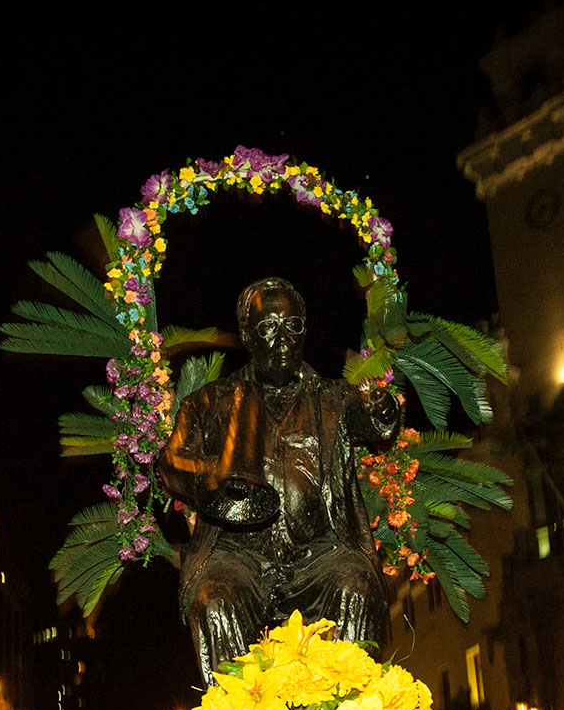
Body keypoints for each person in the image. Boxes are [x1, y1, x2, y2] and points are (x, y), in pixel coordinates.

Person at [157, 276, 402, 681]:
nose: (283, 338)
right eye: (269, 327)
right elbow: (172, 462)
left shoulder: (334, 398)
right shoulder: (209, 402)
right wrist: (214, 479)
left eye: (293, 326)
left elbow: (371, 423)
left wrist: (380, 408)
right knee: (213, 599)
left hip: (319, 556)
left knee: (356, 586)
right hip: (239, 559)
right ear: (248, 336)